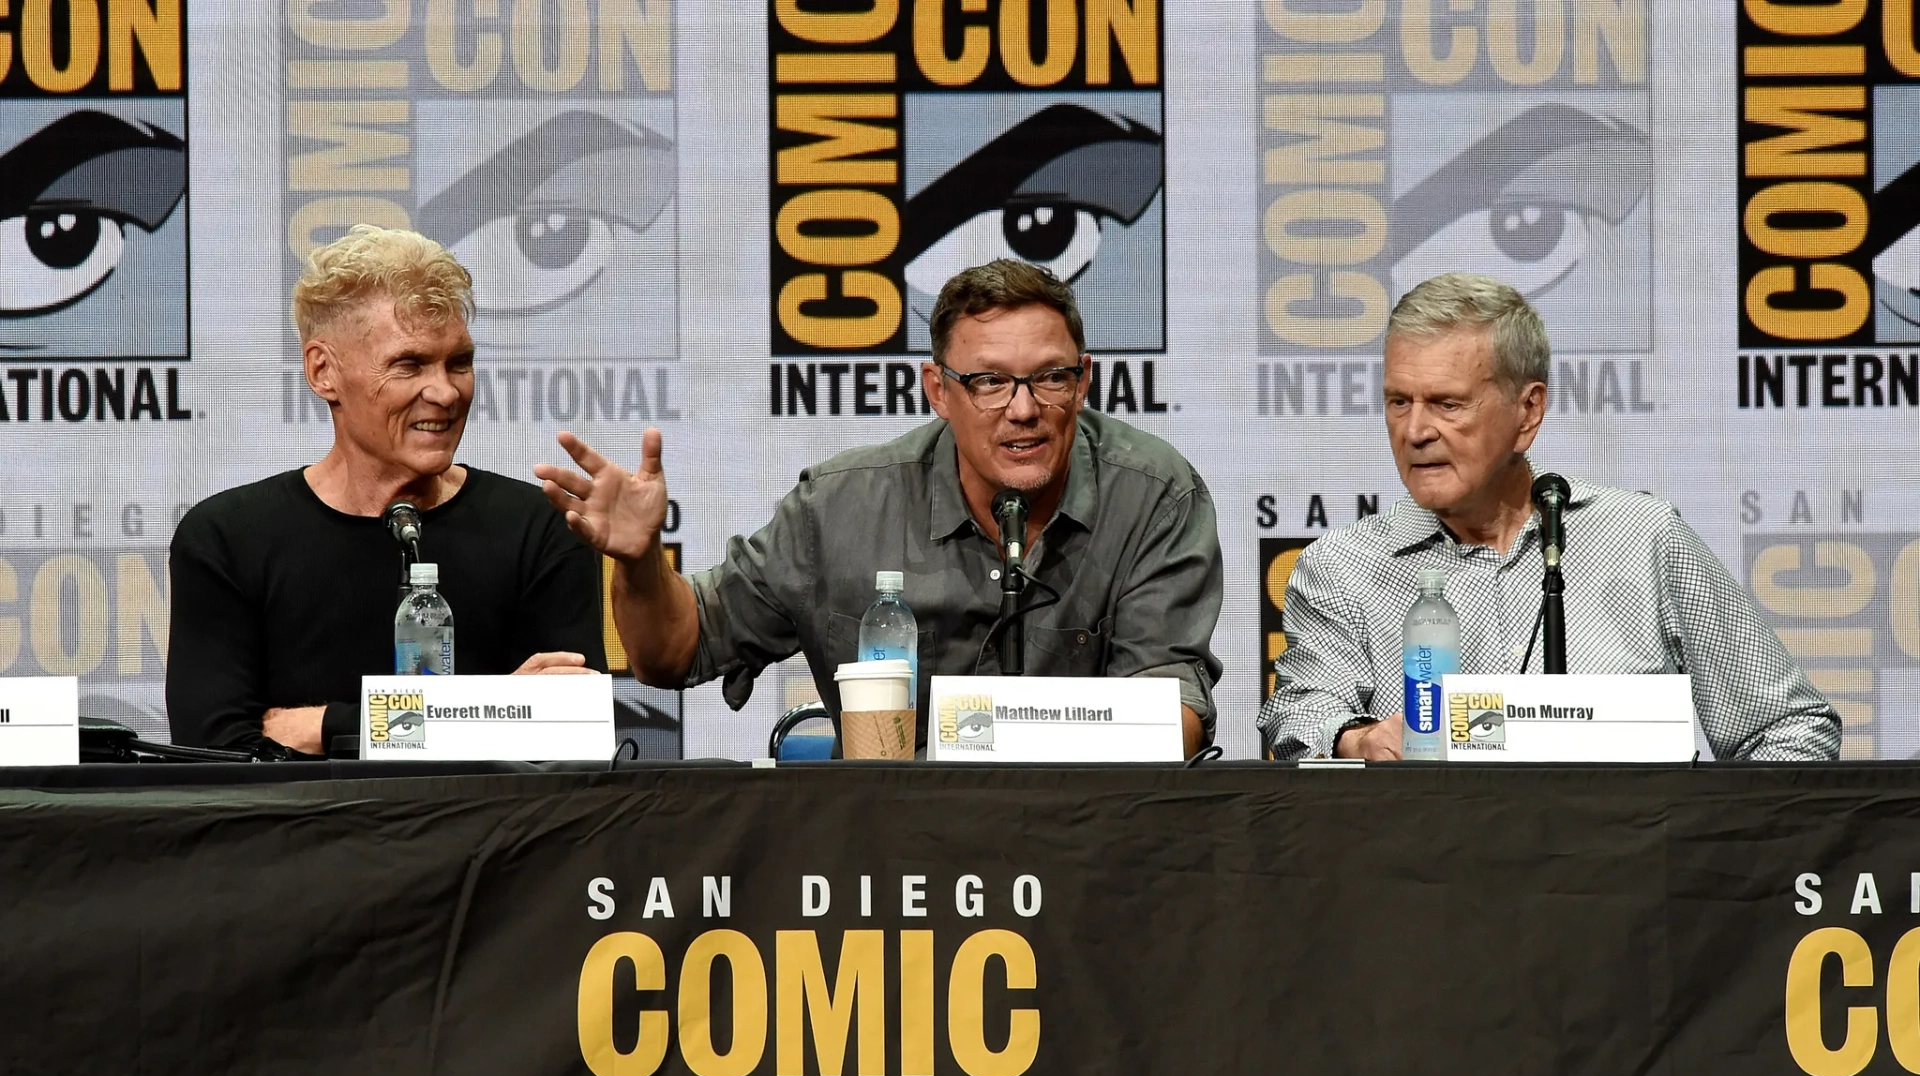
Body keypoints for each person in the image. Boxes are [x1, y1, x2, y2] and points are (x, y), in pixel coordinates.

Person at [536, 259, 1223, 754]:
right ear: (937, 388)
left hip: (1092, 844)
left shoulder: (1155, 494)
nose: (1024, 410)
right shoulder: (841, 507)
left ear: (1084, 381)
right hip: (888, 858)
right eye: (988, 382)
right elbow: (674, 653)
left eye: (1050, 378)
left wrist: (979, 732)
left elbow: (1177, 718)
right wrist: (639, 564)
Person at [1257, 272, 1839, 762]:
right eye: (1398, 401)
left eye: (1447, 403)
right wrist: (1355, 739)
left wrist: (1694, 850)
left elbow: (1791, 730)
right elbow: (1294, 717)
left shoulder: (1641, 538)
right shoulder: (1342, 568)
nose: (1415, 431)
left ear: (1528, 410)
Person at [167, 225, 604, 753]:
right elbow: (212, 751)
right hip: (302, 834)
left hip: (489, 836)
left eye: (459, 362)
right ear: (324, 372)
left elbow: (569, 735)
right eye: (409, 364)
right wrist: (492, 711)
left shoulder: (542, 527)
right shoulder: (226, 539)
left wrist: (324, 727)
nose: (445, 391)